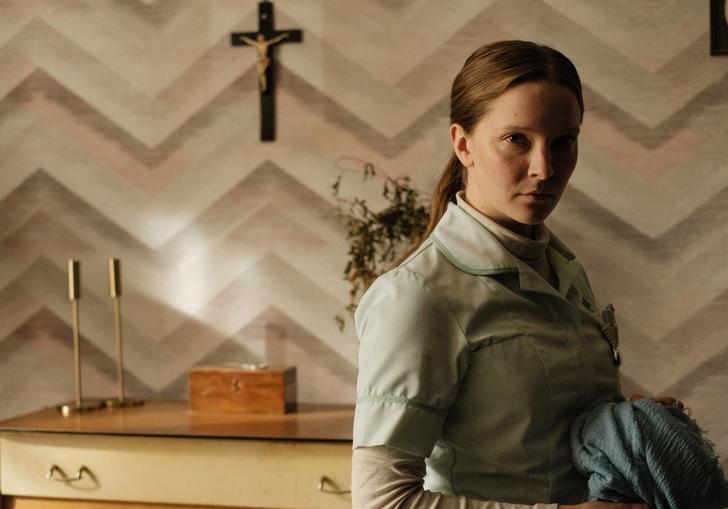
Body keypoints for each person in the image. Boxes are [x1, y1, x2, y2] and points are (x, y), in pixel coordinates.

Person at [351, 40, 652, 509]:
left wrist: (635, 428)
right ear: (463, 143)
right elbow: (382, 502)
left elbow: (550, 431)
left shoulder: (562, 267)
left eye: (563, 142)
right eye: (517, 140)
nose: (545, 168)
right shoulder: (417, 296)